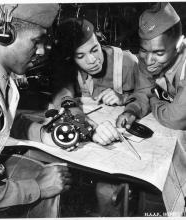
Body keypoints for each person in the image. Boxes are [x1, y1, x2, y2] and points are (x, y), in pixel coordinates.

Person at [0, 4, 72, 218]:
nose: (41, 51)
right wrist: (37, 188)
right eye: (36, 41)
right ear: (4, 34)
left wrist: (43, 134)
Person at [50, 18, 138, 216]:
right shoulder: (70, 70)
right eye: (80, 55)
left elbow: (153, 95)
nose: (91, 60)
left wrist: (125, 98)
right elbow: (63, 97)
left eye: (94, 49)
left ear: (99, 40)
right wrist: (80, 119)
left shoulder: (127, 62)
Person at [116, 2, 186, 131]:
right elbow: (143, 92)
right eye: (144, 50)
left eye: (159, 53)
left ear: (179, 46)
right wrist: (131, 111)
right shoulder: (147, 60)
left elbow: (175, 119)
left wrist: (153, 98)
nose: (148, 61)